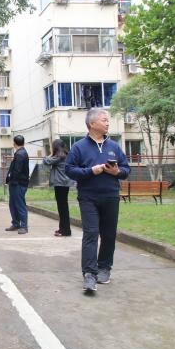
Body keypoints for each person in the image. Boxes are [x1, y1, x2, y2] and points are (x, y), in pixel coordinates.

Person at [65, 108, 130, 292]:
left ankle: (104, 268)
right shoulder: (79, 147)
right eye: (104, 120)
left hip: (111, 196)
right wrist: (90, 171)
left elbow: (126, 169)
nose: (108, 123)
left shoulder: (114, 146)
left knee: (109, 235)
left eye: (108, 120)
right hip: (88, 197)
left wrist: (117, 171)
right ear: (92, 124)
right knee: (91, 234)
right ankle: (89, 274)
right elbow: (69, 169)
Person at [43, 139, 73, 237]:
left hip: (60, 184)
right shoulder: (66, 155)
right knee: (63, 207)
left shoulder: (59, 157)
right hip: (65, 184)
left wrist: (51, 153)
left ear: (55, 147)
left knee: (62, 208)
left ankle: (65, 231)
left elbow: (46, 161)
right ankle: (63, 228)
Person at [5, 135, 29, 235]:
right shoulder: (21, 152)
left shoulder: (20, 154)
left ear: (14, 143)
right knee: (13, 204)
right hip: (16, 183)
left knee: (20, 205)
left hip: (18, 183)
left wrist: (10, 178)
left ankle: (24, 226)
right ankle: (16, 223)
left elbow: (17, 170)